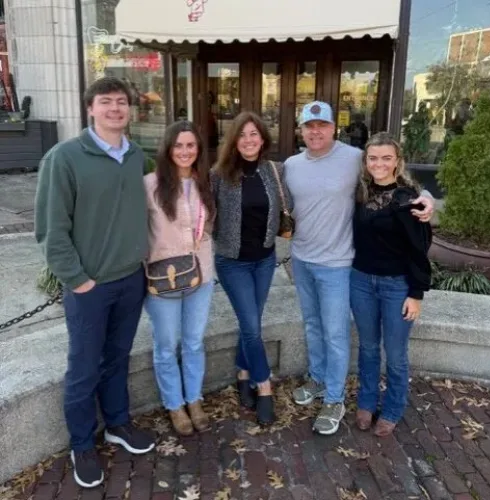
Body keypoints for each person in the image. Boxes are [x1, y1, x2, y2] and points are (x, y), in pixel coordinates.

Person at [285, 101, 434, 435]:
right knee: (313, 324)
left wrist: (428, 199)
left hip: (339, 265)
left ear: (333, 128)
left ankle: (336, 399)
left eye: (322, 125)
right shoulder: (292, 165)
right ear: (302, 129)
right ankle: (319, 379)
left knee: (337, 334)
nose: (316, 131)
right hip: (305, 259)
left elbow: (401, 184)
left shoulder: (353, 157)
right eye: (309, 125)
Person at [34, 76, 155, 489]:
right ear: (90, 109)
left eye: (121, 102)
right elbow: (51, 229)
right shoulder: (64, 157)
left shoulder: (138, 155)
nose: (115, 109)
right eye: (106, 102)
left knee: (117, 360)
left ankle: (117, 425)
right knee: (84, 368)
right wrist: (77, 280)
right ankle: (82, 443)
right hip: (89, 287)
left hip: (130, 280)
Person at [211, 111, 291, 425]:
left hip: (265, 259)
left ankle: (243, 373)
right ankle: (265, 387)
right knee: (252, 328)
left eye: (254, 134)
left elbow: (295, 202)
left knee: (251, 324)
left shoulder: (275, 170)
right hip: (233, 263)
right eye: (242, 135)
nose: (248, 141)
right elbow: (202, 210)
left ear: (262, 138)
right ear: (234, 140)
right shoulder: (219, 174)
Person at [351, 132, 432, 437]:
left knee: (395, 354)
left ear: (397, 161)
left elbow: (419, 249)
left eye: (386, 158)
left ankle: (394, 406)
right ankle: (367, 402)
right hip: (360, 281)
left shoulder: (408, 197)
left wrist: (416, 293)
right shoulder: (359, 192)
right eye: (373, 158)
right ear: (366, 161)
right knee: (369, 348)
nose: (379, 164)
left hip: (397, 285)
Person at [143, 120, 216, 436]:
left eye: (190, 145)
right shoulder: (149, 185)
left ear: (198, 149)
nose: (184, 151)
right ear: (168, 149)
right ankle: (174, 404)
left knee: (194, 341)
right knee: (166, 345)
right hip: (163, 277)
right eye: (178, 145)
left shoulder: (206, 182)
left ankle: (194, 399)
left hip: (202, 274)